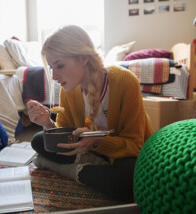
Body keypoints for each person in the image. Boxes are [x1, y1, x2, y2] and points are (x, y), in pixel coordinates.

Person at [27, 25, 153, 202]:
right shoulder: (69, 89)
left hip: (124, 152)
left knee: (128, 178)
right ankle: (95, 167)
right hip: (92, 150)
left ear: (83, 58)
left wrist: (97, 140)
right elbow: (65, 136)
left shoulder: (125, 81)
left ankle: (68, 169)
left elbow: (134, 146)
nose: (54, 76)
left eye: (60, 66)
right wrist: (47, 123)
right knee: (38, 140)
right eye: (51, 68)